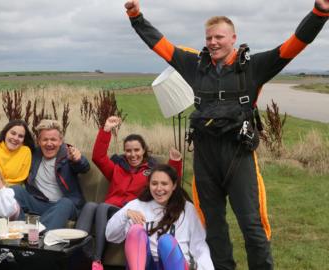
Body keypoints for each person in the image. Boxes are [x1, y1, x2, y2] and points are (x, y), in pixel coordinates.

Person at [123, 1, 329, 269]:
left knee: (252, 225)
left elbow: (294, 45)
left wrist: (319, 12)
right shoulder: (193, 65)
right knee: (213, 226)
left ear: (234, 38)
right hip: (206, 157)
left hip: (238, 155)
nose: (213, 42)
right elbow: (160, 45)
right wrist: (135, 16)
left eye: (219, 37)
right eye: (209, 37)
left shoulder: (254, 66)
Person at [76, 116, 183, 270]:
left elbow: (171, 179)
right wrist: (106, 130)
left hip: (130, 212)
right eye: (128, 151)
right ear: (124, 152)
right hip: (109, 212)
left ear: (144, 150)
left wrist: (175, 161)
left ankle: (97, 261)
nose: (133, 155)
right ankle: (77, 255)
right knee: (90, 206)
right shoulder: (116, 168)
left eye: (136, 150)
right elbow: (98, 157)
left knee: (102, 207)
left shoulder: (151, 171)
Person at [106, 164, 213, 270]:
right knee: (136, 230)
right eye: (154, 183)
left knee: (166, 241)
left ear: (174, 185)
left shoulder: (187, 209)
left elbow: (200, 245)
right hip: (143, 264)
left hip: (174, 264)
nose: (159, 188)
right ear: (149, 185)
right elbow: (110, 236)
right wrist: (125, 214)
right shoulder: (136, 205)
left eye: (164, 184)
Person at [10, 119, 90, 230]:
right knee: (14, 190)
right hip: (38, 203)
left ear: (61, 141)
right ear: (38, 141)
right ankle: (22, 231)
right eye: (45, 140)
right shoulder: (32, 154)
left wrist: (78, 160)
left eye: (53, 139)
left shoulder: (68, 154)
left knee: (65, 203)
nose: (49, 143)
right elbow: (7, 143)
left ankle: (40, 238)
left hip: (62, 206)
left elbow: (84, 167)